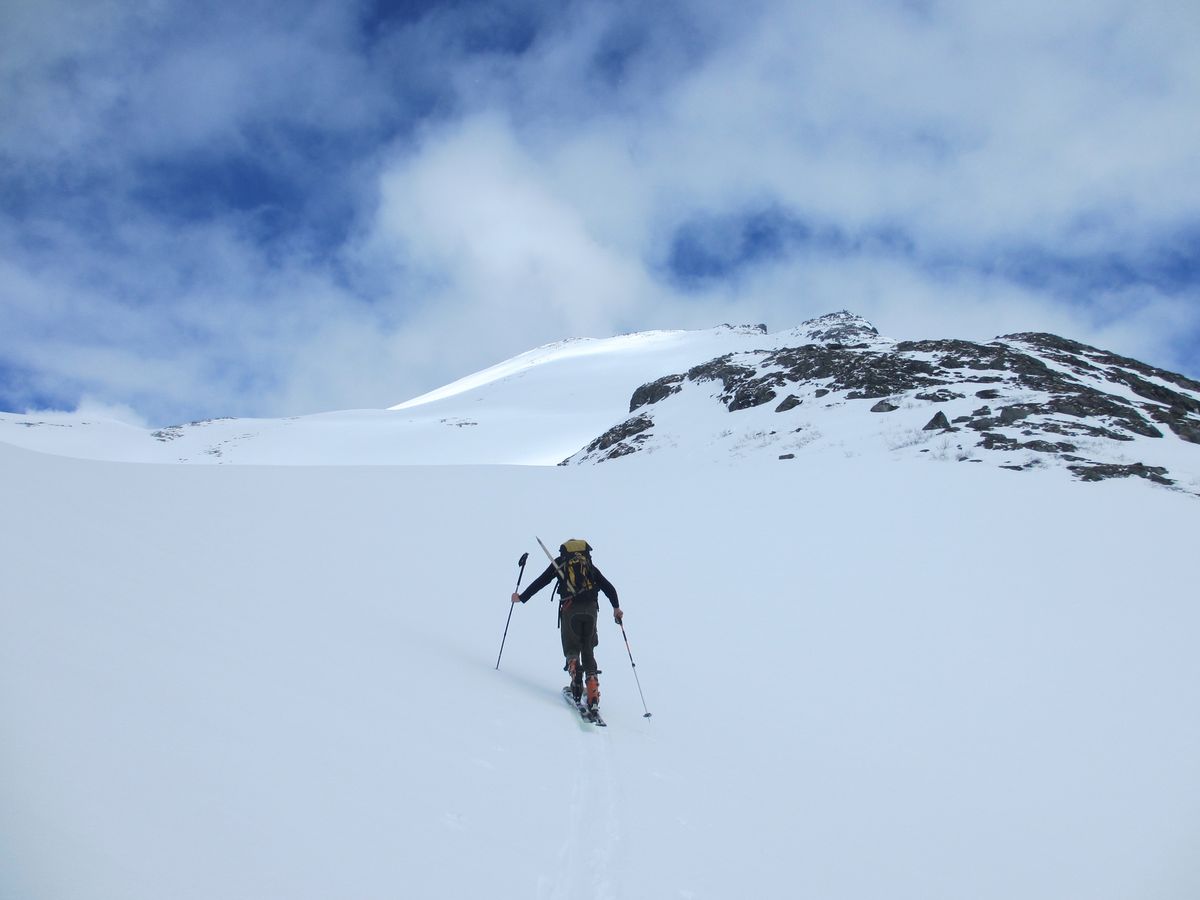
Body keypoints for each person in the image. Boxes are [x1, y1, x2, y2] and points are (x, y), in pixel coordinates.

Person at [511, 538, 622, 713]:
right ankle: (592, 688)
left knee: (572, 646)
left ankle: (575, 676)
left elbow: (541, 581)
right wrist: (616, 609)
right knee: (588, 647)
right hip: (591, 610)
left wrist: (521, 597)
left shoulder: (561, 563)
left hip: (570, 610)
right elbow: (609, 588)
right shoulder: (589, 566)